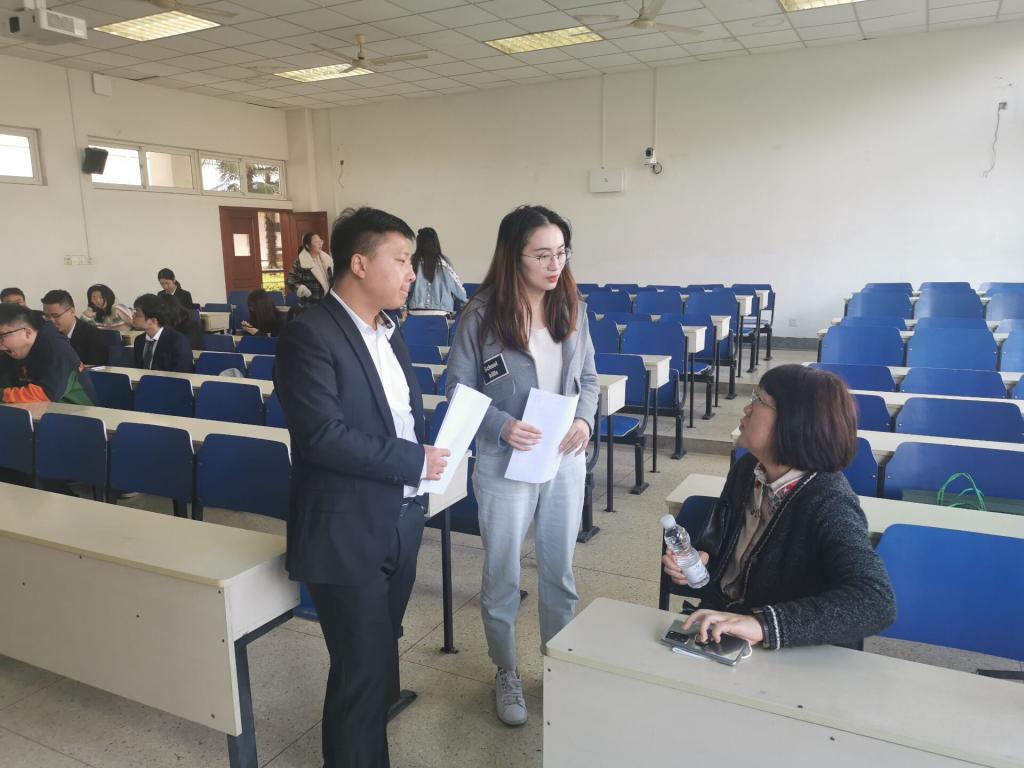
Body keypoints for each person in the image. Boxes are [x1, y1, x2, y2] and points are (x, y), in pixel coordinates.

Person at [275, 207, 450, 768]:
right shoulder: (310, 334)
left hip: (401, 518)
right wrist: (413, 459)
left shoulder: (390, 333)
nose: (411, 273)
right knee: (360, 671)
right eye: (400, 260)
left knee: (376, 660)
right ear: (359, 263)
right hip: (345, 529)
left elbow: (397, 417)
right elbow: (321, 436)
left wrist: (423, 457)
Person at [445, 205, 599, 727]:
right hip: (503, 459)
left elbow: (589, 379)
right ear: (515, 256)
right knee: (503, 572)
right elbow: (457, 389)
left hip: (563, 457)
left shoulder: (572, 306)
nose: (555, 265)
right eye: (542, 255)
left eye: (561, 253)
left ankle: (558, 664)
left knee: (559, 571)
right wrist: (500, 426)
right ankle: (506, 670)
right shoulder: (481, 314)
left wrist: (585, 419)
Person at [662, 364, 896, 651]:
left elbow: (875, 601)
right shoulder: (748, 468)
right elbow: (731, 544)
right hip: (720, 623)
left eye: (759, 400)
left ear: (794, 421)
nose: (747, 408)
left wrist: (762, 625)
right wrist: (702, 560)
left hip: (784, 648)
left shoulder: (828, 500)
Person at [0, 303, 96, 404]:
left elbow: (46, 394)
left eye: (1, 336)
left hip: (75, 412)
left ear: (27, 333)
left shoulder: (57, 348)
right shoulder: (10, 351)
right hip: (34, 410)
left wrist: (2, 394)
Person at [407, 227, 467, 315]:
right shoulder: (444, 262)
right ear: (436, 242)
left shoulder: (412, 261)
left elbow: (404, 287)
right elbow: (461, 293)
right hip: (440, 313)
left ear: (419, 242)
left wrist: (403, 309)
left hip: (415, 312)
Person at [41, 289, 108, 366]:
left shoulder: (93, 335)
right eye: (47, 316)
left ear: (72, 311)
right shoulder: (45, 334)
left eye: (56, 316)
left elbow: (95, 369)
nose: (50, 321)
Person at [131, 294, 193, 373]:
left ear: (153, 321)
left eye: (137, 314)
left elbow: (183, 373)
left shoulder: (177, 341)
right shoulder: (139, 340)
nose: (133, 316)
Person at [286, 232, 332, 307]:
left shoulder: (326, 260)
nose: (320, 244)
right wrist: (302, 289)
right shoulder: (301, 262)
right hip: (311, 305)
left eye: (320, 241)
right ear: (308, 246)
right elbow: (290, 280)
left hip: (327, 304)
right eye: (316, 242)